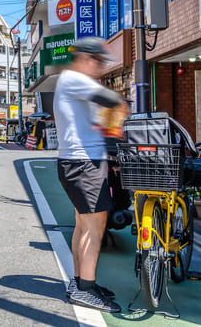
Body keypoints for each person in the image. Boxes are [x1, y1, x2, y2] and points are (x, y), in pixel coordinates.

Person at [53, 37, 125, 313]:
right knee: (94, 226)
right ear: (86, 58)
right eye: (98, 62)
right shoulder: (75, 79)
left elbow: (98, 118)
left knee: (84, 225)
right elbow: (111, 100)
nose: (100, 68)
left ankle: (82, 281)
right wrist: (120, 105)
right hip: (84, 163)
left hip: (78, 162)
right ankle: (85, 289)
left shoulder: (71, 82)